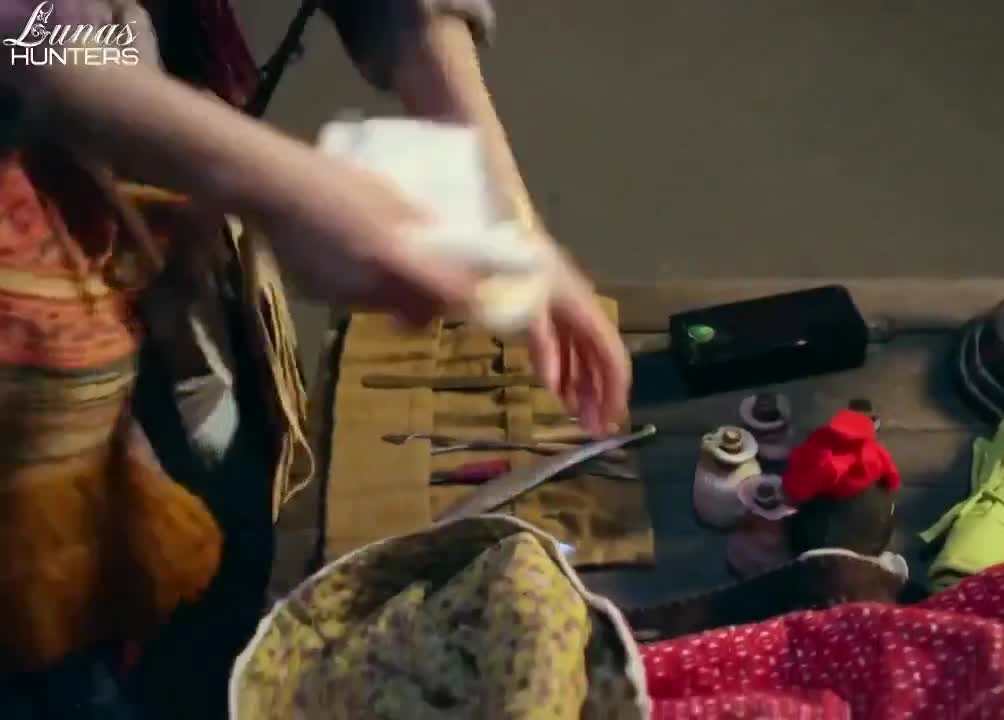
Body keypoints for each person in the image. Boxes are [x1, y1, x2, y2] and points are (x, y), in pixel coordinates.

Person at [0, 1, 629, 717]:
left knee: (221, 570)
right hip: (27, 409)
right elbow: (30, 38)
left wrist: (502, 209)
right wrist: (282, 186)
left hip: (165, 276)